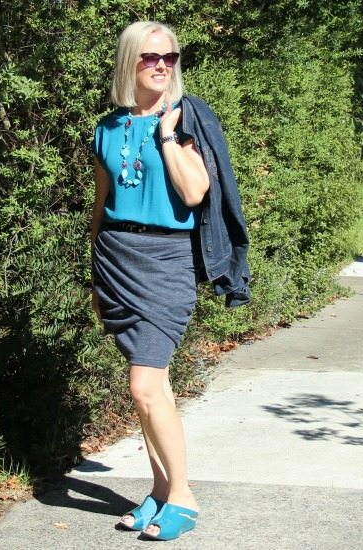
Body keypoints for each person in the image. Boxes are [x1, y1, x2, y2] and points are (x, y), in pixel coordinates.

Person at [90, 21, 251, 541]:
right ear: (129, 62)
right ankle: (160, 491)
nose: (162, 65)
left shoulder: (186, 120)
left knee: (144, 386)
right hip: (116, 258)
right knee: (152, 388)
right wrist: (94, 274)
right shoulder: (106, 129)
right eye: (150, 57)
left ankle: (182, 495)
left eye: (170, 57)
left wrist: (165, 134)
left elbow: (195, 191)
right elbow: (101, 204)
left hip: (166, 261)